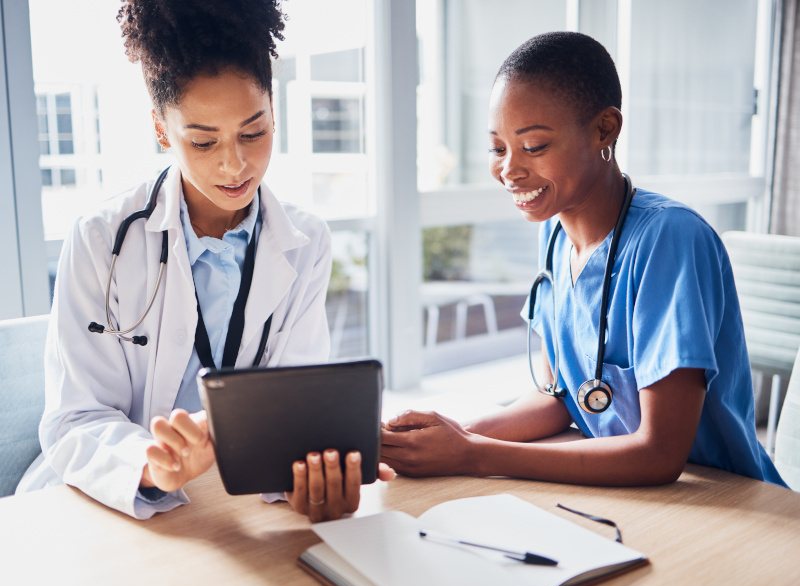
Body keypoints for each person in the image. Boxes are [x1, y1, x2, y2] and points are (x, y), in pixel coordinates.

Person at [18, 0, 393, 521]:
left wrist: (309, 475)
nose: (234, 163)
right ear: (159, 128)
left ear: (274, 110)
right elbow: (75, 420)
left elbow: (295, 404)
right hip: (106, 502)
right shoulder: (102, 237)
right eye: (202, 140)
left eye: (253, 132)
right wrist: (152, 466)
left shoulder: (304, 240)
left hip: (230, 507)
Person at [381, 31, 785, 487]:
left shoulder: (671, 240)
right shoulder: (554, 236)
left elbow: (659, 453)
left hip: (722, 498)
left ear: (604, 130)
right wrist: (450, 437)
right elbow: (559, 398)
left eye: (533, 146)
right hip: (626, 491)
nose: (509, 170)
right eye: (498, 148)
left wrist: (474, 455)